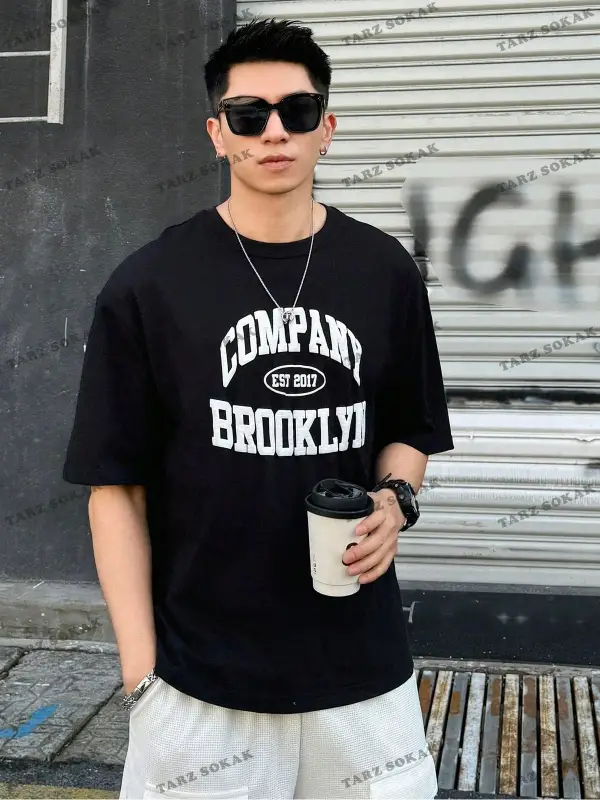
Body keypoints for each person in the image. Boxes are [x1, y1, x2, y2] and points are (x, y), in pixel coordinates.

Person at [63, 17, 453, 800]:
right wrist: (142, 680)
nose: (274, 131)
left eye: (297, 111)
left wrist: (396, 500)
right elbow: (115, 489)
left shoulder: (383, 271)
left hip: (362, 672)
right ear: (217, 134)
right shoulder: (149, 285)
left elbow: (411, 428)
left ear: (326, 130)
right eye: (248, 115)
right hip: (200, 685)